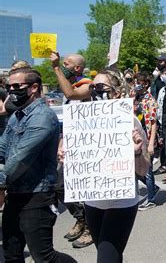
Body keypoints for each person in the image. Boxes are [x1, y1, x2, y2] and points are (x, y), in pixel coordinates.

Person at [0, 68, 76, 262]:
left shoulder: (42, 117)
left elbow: (20, 159)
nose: (12, 91)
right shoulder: (17, 116)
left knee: (44, 257)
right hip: (15, 194)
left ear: (34, 88)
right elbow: (2, 148)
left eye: (17, 86)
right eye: (9, 86)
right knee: (11, 254)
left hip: (37, 196)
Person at [85, 69, 150, 262]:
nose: (95, 91)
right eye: (92, 87)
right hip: (92, 202)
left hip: (120, 203)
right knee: (112, 256)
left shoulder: (130, 123)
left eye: (101, 87)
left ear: (116, 92)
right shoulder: (82, 122)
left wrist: (137, 151)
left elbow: (143, 170)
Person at [50, 51, 94, 248]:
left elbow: (70, 93)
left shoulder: (87, 85)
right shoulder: (70, 87)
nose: (63, 65)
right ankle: (81, 218)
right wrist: (61, 143)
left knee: (87, 190)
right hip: (71, 146)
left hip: (88, 147)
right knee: (60, 186)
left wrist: (56, 67)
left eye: (66, 63)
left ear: (76, 68)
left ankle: (91, 228)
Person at [133, 71, 160, 211]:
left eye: (140, 82)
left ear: (146, 84)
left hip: (146, 139)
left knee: (148, 171)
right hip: (136, 139)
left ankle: (151, 199)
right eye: (136, 81)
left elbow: (153, 123)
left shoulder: (150, 100)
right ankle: (153, 188)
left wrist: (150, 143)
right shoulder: (135, 99)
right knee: (137, 170)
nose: (137, 84)